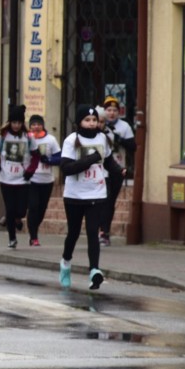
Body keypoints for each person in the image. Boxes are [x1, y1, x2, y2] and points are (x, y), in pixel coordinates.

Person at [58, 105, 124, 290]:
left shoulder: (102, 138)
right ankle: (65, 263)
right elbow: (67, 168)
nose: (91, 123)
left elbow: (108, 161)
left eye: (94, 120)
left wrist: (120, 171)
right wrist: (91, 158)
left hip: (97, 192)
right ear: (79, 122)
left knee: (93, 232)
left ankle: (94, 270)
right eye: (87, 120)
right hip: (74, 195)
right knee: (73, 232)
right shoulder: (72, 140)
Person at [0, 104, 40, 249]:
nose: (16, 125)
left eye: (19, 122)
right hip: (6, 179)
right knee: (10, 209)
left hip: (23, 180)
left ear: (22, 123)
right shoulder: (3, 136)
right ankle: (12, 238)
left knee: (22, 210)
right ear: (10, 122)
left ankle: (17, 218)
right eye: (14, 122)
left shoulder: (28, 137)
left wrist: (31, 170)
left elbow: (36, 156)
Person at [99, 95, 135, 246]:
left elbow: (133, 147)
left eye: (114, 110)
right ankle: (102, 231)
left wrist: (119, 139)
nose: (111, 113)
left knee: (110, 201)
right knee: (104, 200)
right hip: (102, 169)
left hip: (118, 168)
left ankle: (105, 231)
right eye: (108, 110)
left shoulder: (124, 126)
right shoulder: (99, 124)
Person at [26, 114, 61, 247]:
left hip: (47, 180)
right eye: (33, 124)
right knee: (33, 207)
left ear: (42, 125)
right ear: (30, 127)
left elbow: (59, 157)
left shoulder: (50, 139)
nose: (36, 126)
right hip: (32, 179)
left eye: (38, 124)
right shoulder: (27, 139)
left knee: (41, 209)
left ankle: (34, 228)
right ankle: (33, 236)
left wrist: (50, 160)